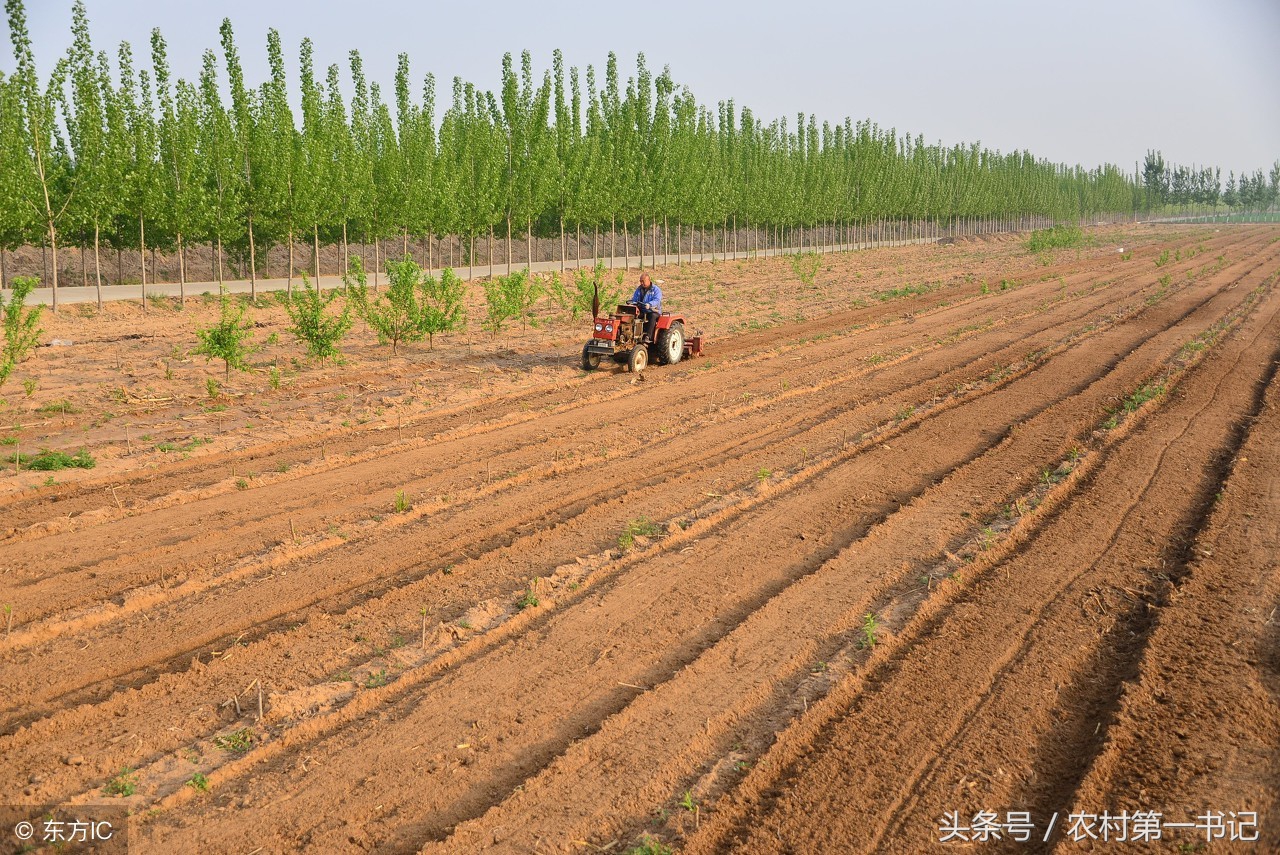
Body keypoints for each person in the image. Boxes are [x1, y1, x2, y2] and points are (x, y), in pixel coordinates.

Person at [630, 273, 662, 343]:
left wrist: (649, 304)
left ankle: (648, 336)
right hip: (642, 310)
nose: (641, 283)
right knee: (631, 315)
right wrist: (633, 304)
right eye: (640, 281)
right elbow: (634, 299)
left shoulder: (656, 290)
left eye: (643, 281)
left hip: (653, 310)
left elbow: (657, 300)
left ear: (648, 280)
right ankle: (631, 334)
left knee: (652, 316)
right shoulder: (639, 289)